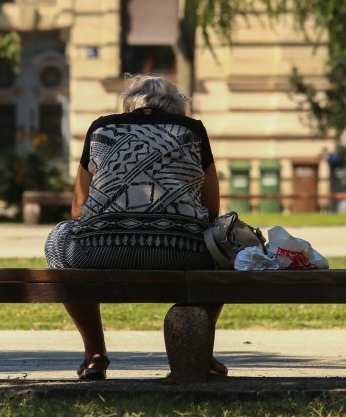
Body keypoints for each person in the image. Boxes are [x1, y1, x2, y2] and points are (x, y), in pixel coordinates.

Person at [44, 74, 226, 381]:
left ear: (129, 106)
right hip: (182, 253)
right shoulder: (192, 130)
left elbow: (77, 209)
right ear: (176, 107)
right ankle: (197, 352)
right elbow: (211, 210)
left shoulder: (101, 129)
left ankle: (94, 354)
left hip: (98, 251)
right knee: (224, 244)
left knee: (58, 240)